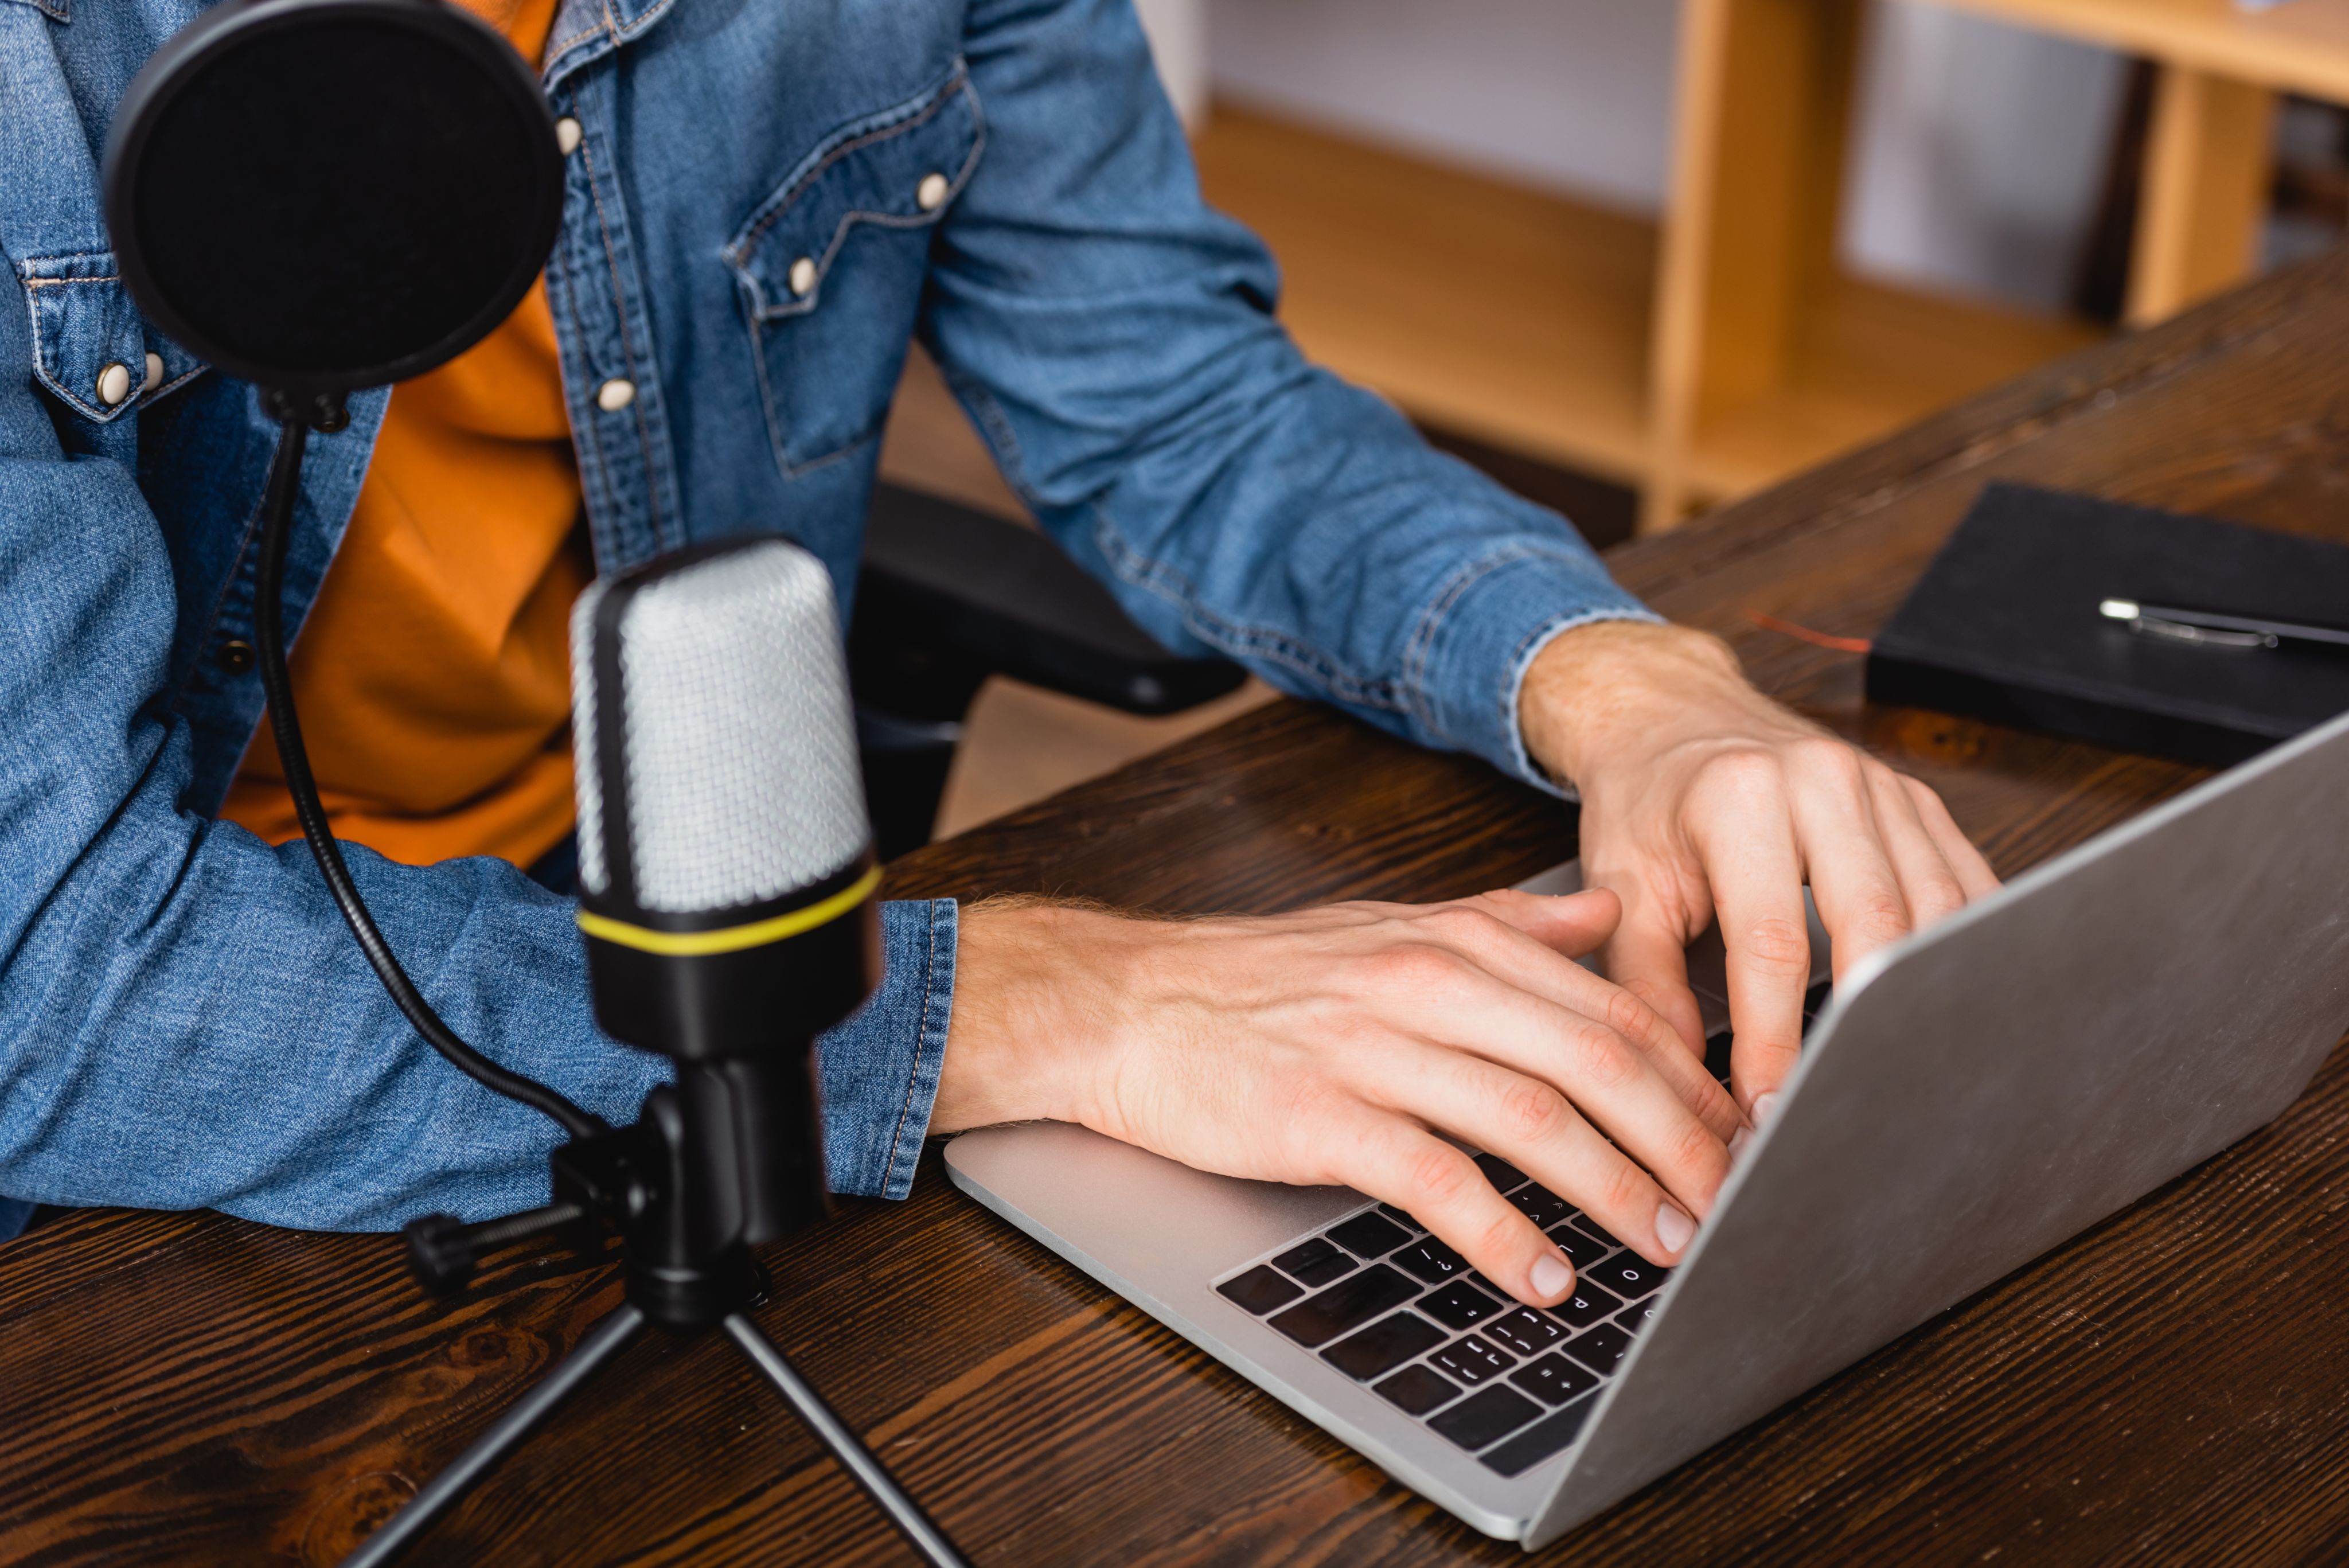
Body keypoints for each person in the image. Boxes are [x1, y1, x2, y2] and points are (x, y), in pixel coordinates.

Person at [0, 0, 1995, 1313]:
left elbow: (1177, 404)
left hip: (709, 986)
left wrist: (1626, 683)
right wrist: (1020, 1004)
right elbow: (45, 976)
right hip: (160, 1114)